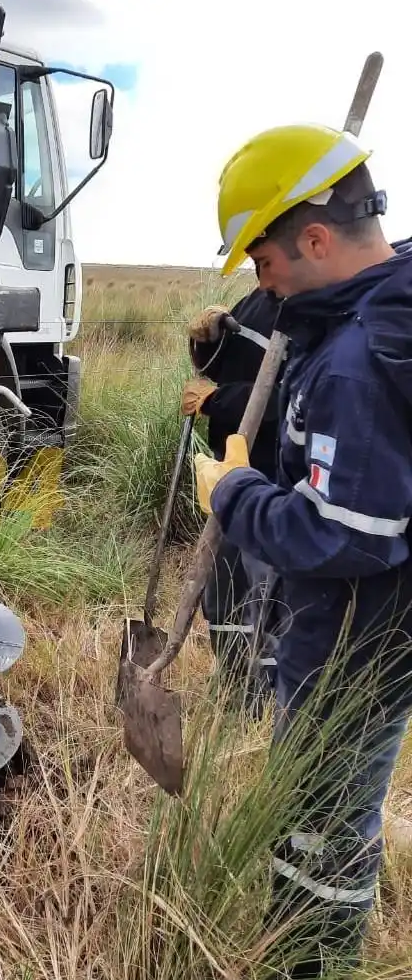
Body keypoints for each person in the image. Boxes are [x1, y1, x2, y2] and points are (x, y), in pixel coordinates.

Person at [195, 121, 412, 978]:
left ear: (316, 240)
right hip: (357, 629)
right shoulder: (360, 320)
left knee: (323, 823)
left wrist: (233, 493)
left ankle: (309, 961)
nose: (264, 284)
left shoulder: (359, 358)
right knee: (315, 811)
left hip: (356, 644)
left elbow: (342, 532)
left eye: (264, 261)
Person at [181, 288, 284, 715]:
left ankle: (268, 706)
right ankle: (235, 690)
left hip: (275, 481)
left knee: (268, 602)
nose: (264, 271)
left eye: (267, 260)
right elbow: (216, 368)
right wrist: (205, 342)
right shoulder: (259, 297)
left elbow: (294, 398)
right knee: (223, 595)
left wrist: (216, 401)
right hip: (230, 473)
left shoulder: (317, 306)